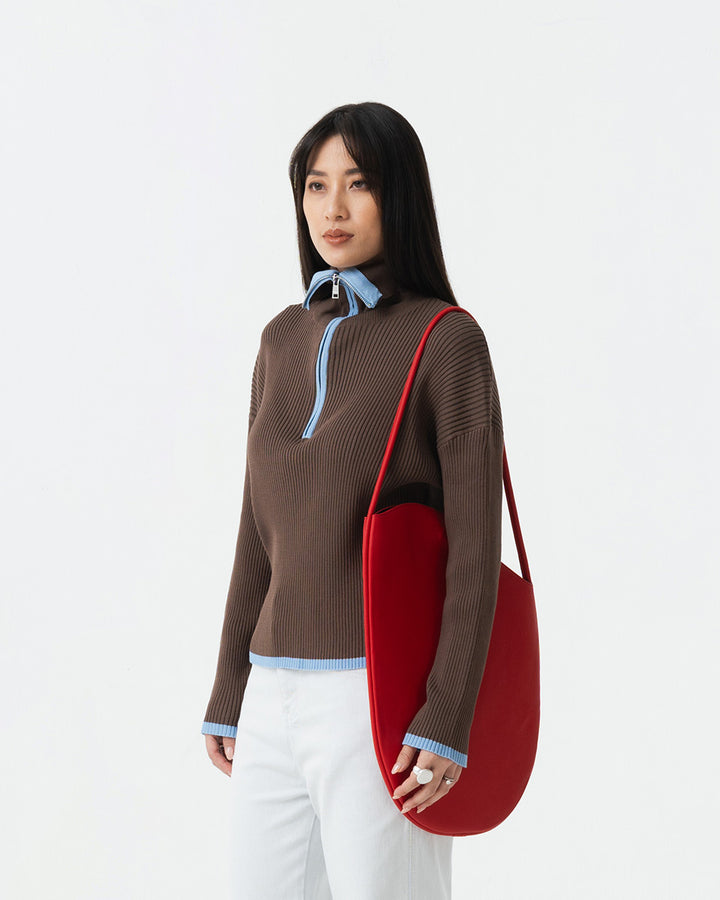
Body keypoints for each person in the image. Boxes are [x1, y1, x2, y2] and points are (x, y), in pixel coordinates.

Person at [201, 101, 504, 899]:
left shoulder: (446, 339)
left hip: (380, 692)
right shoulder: (281, 339)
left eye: (358, 184)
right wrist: (230, 685)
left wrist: (447, 712)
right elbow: (257, 530)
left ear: (397, 195)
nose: (332, 208)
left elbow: (476, 550)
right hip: (270, 695)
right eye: (315, 185)